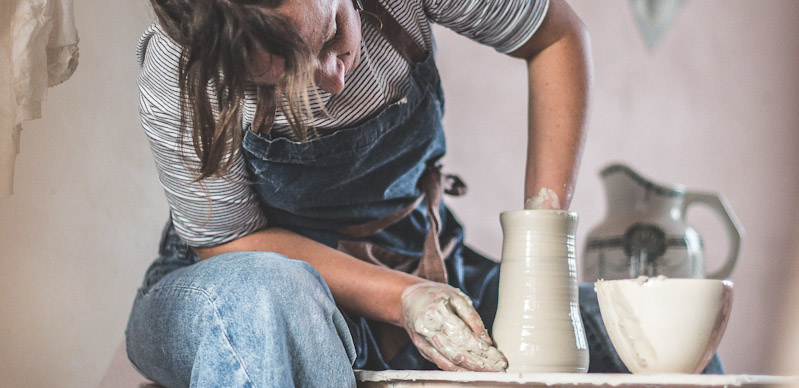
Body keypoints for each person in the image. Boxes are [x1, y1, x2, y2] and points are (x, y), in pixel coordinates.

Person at [125, 0, 721, 386]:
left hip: (417, 253)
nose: (332, 78)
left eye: (332, 35)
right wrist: (403, 298)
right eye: (283, 77)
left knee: (662, 339)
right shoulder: (179, 68)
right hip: (246, 280)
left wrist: (542, 248)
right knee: (272, 297)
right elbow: (229, 241)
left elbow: (555, 37)